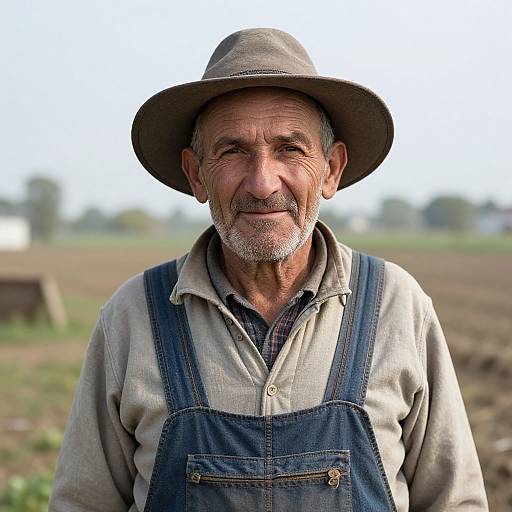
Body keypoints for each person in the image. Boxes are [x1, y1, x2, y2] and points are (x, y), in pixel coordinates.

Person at [49, 28, 488, 511]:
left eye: (290, 149)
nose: (261, 183)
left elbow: (455, 501)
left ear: (331, 170)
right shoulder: (133, 317)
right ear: (197, 174)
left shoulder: (396, 305)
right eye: (233, 150)